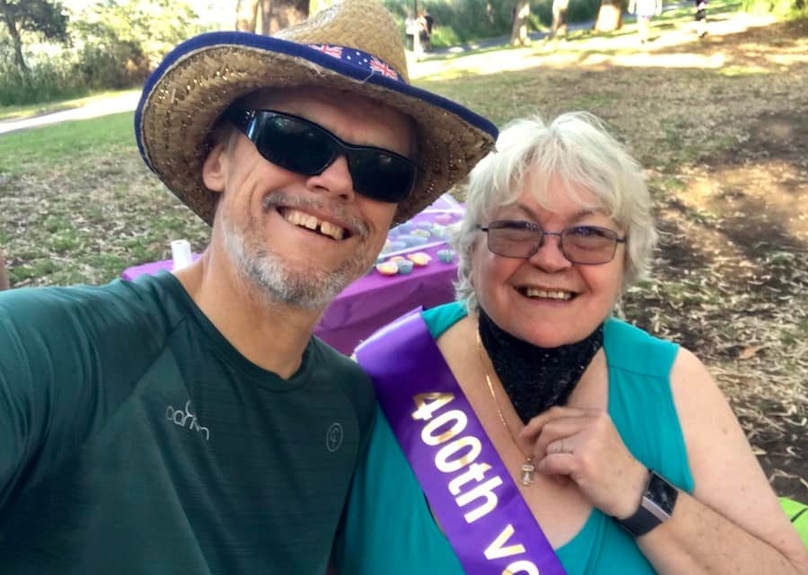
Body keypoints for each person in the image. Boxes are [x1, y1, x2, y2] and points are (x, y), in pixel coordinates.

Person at [0, 0, 496, 572]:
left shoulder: (354, 408)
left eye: (381, 169)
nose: (336, 181)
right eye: (294, 139)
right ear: (217, 160)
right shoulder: (54, 353)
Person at [334, 112, 808, 574]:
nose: (551, 259)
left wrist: (637, 491)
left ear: (627, 261)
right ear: (470, 248)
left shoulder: (671, 383)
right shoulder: (385, 372)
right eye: (517, 228)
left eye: (588, 235)